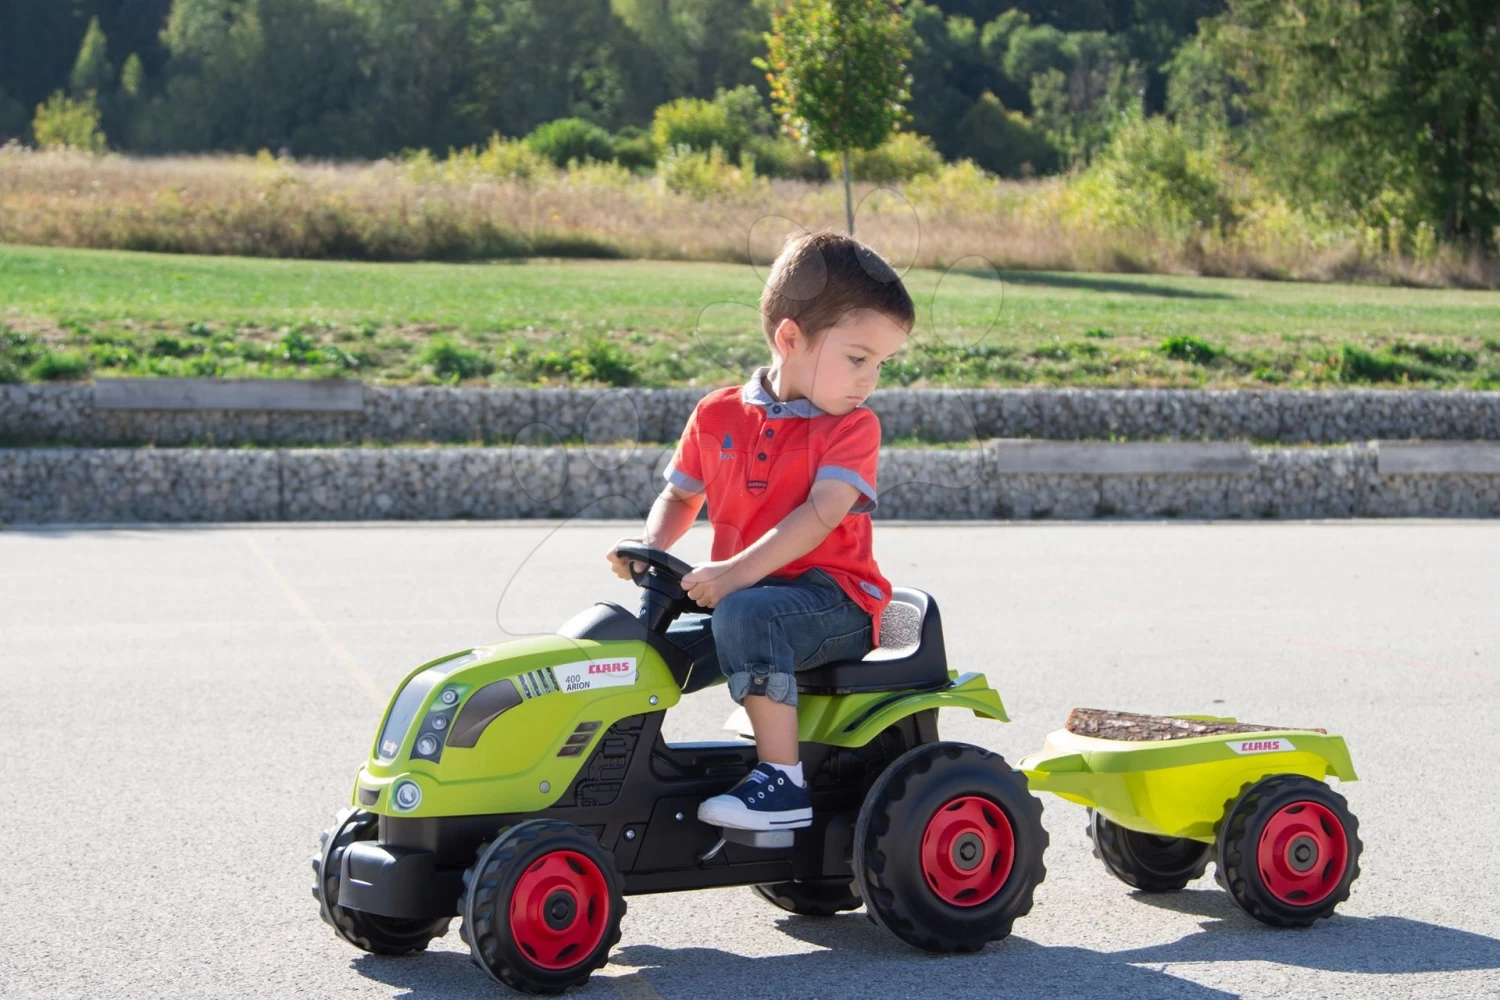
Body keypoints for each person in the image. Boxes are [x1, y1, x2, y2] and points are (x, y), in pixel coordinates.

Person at [606, 229, 913, 831]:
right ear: (791, 338)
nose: (869, 379)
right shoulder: (717, 413)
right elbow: (679, 495)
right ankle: (610, 771)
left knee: (745, 616)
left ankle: (782, 783)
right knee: (635, 638)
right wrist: (650, 551)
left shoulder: (852, 428)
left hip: (834, 601)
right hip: (745, 593)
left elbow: (821, 514)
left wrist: (734, 574)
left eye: (880, 363)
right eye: (858, 358)